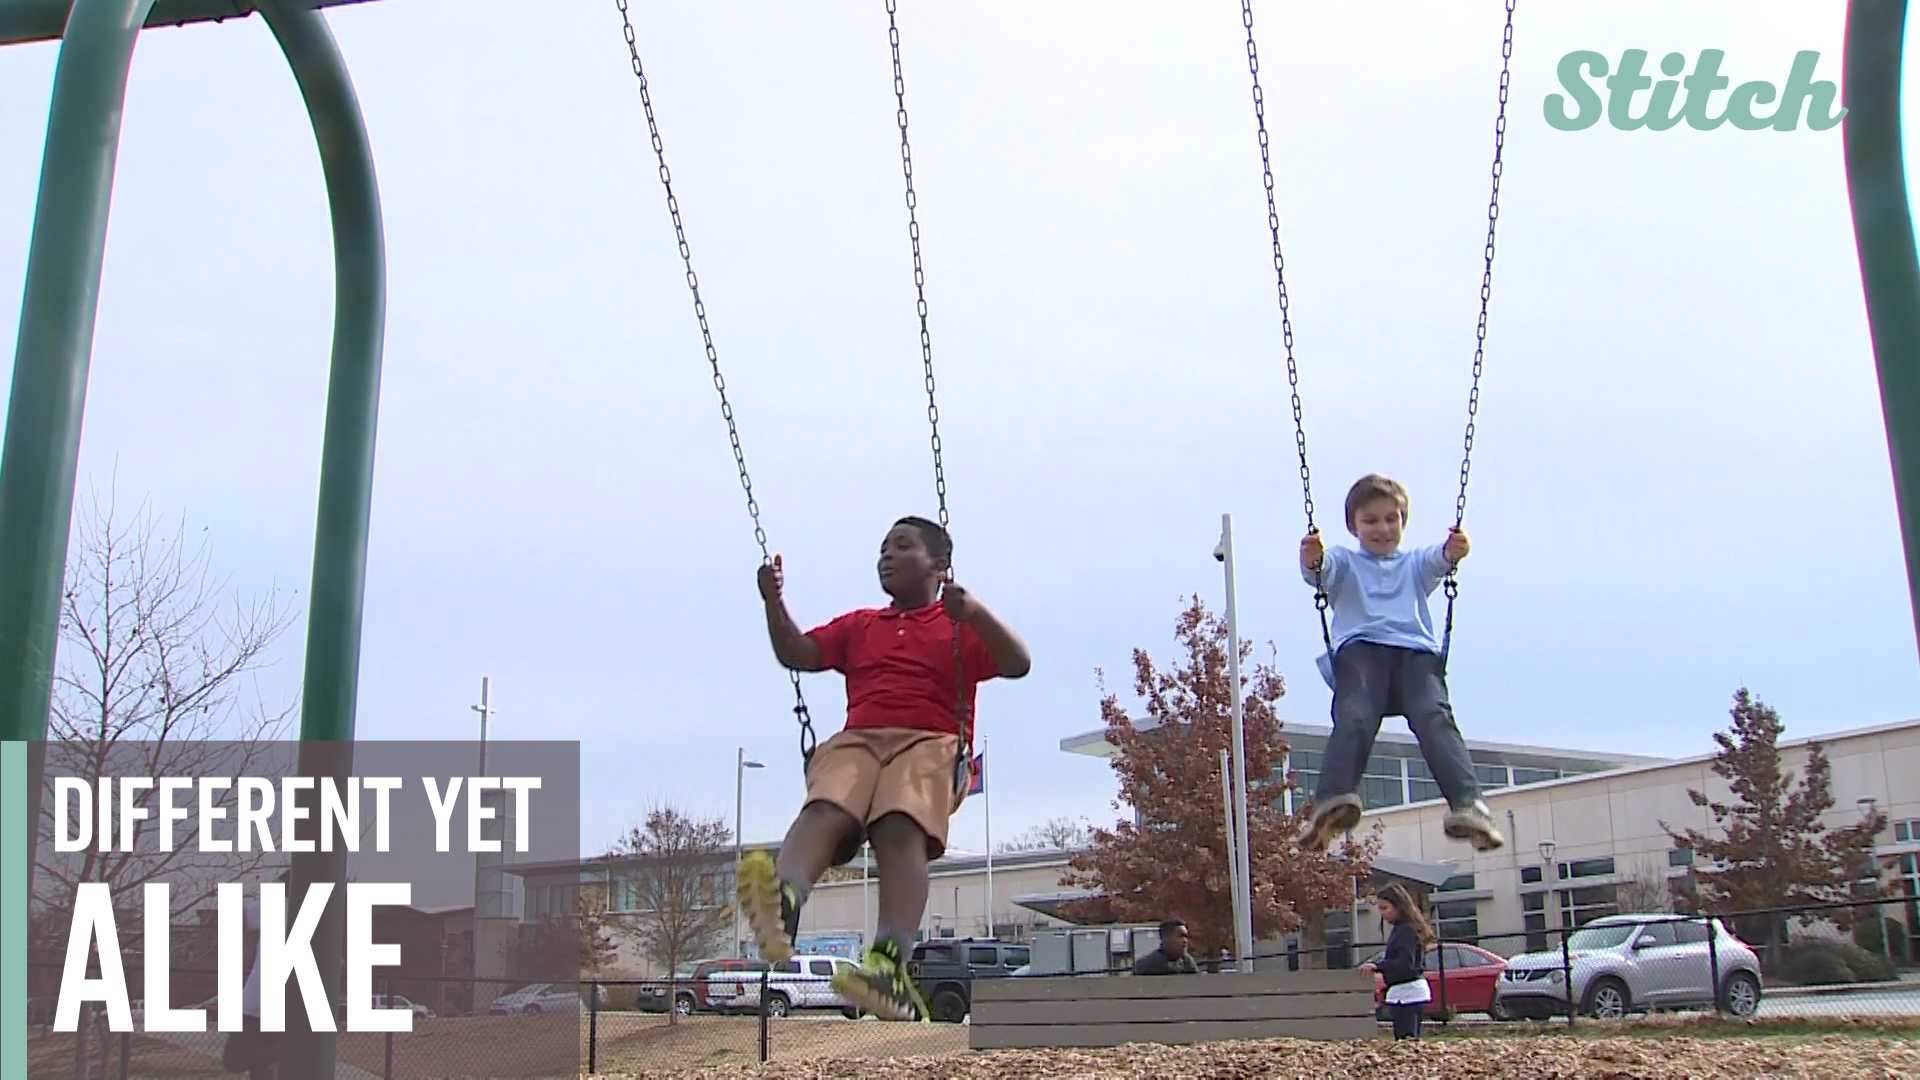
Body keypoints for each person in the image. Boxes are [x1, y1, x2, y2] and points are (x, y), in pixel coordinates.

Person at [736, 516, 1032, 1021]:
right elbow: (799, 652)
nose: (886, 556)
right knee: (828, 803)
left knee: (899, 820)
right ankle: (782, 906)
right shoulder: (860, 625)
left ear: (939, 567)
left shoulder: (957, 626)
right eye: (882, 549)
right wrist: (773, 603)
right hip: (859, 740)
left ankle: (886, 965)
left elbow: (1017, 662)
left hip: (930, 741)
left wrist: (976, 611)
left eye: (902, 546)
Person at [1296, 474, 1503, 853]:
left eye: (1391, 519)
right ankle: (1331, 800)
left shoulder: (1413, 564)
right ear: (1353, 525)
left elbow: (1439, 558)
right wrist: (1312, 558)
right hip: (1362, 651)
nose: (1382, 528)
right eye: (1370, 520)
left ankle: (1469, 805)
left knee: (1434, 715)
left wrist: (1455, 549)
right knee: (1356, 714)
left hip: (1414, 656)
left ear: (1403, 522)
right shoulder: (1345, 560)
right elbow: (1321, 571)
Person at [1360, 882, 1434, 1040]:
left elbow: (1405, 963)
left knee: (1406, 1042)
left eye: (1384, 908)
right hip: (1408, 992)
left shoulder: (1406, 930)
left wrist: (1378, 966)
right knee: (1408, 1041)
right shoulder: (1405, 928)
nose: (1382, 914)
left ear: (1399, 906)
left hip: (1407, 994)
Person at [1132, 920, 1202, 976]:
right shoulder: (1145, 965)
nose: (1185, 941)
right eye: (1180, 936)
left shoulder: (1188, 962)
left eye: (1186, 937)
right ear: (1165, 938)